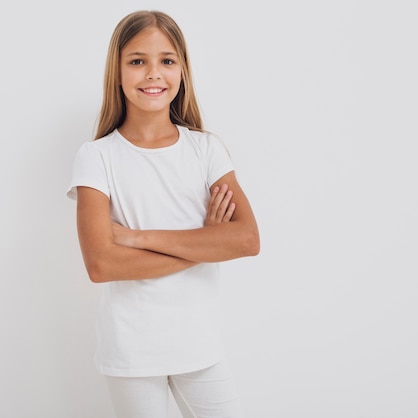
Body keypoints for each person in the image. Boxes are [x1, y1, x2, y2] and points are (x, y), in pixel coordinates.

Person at [66, 10, 260, 418]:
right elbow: (101, 264)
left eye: (166, 61)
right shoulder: (96, 157)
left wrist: (137, 238)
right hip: (132, 352)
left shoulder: (206, 149)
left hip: (200, 346)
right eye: (138, 61)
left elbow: (245, 240)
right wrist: (206, 243)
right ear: (117, 73)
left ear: (182, 71)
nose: (153, 74)